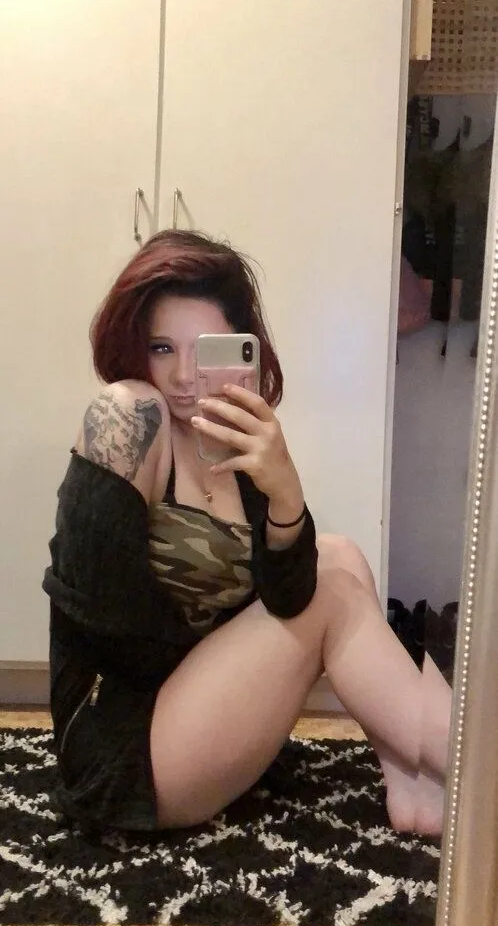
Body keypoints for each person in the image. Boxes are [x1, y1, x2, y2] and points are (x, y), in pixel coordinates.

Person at [42, 229, 452, 837]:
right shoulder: (128, 417)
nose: (184, 376)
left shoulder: (233, 437)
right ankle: (470, 757)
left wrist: (284, 490)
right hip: (126, 744)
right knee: (333, 585)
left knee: (339, 558)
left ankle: (415, 780)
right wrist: (226, 652)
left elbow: (288, 596)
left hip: (198, 715)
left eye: (204, 351)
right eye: (161, 348)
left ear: (241, 352)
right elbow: (95, 612)